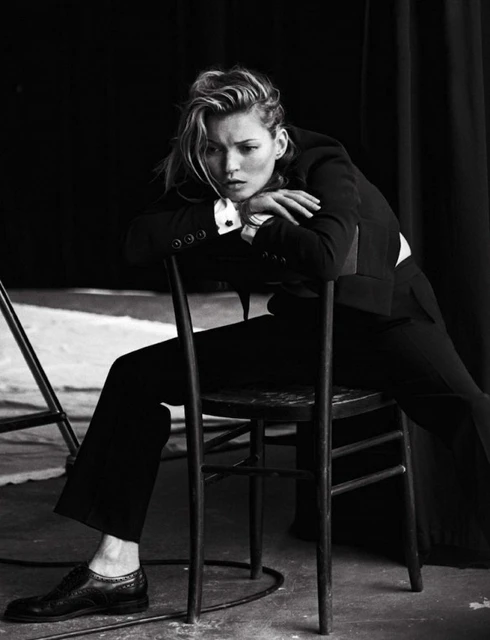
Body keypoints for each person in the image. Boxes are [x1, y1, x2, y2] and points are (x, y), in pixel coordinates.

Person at [4, 65, 490, 623]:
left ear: (278, 142)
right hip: (304, 332)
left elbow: (328, 256)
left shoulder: (324, 162)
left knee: (468, 410)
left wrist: (258, 227)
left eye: (246, 148)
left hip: (385, 323)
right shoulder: (219, 180)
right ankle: (115, 570)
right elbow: (139, 242)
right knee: (134, 375)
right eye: (214, 150)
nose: (230, 165)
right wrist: (235, 211)